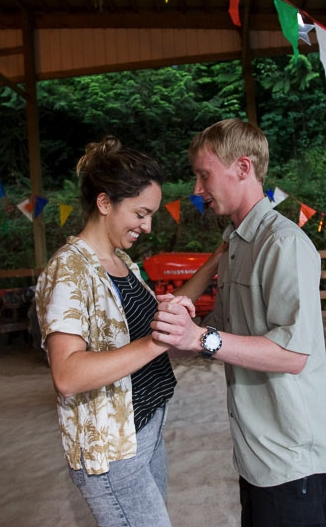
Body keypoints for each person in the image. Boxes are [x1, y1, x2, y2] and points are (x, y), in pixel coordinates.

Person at [153, 119, 326, 527]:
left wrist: (200, 338)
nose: (197, 189)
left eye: (204, 175)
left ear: (242, 167)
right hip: (255, 456)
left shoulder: (284, 243)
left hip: (291, 460)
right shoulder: (235, 244)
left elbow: (292, 354)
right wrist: (176, 335)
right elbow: (221, 331)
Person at [35, 136, 222, 527]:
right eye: (140, 213)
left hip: (146, 430)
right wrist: (154, 344)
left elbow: (159, 325)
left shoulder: (121, 262)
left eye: (151, 214)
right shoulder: (70, 270)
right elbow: (67, 375)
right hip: (113, 452)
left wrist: (216, 260)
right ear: (105, 203)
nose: (148, 226)